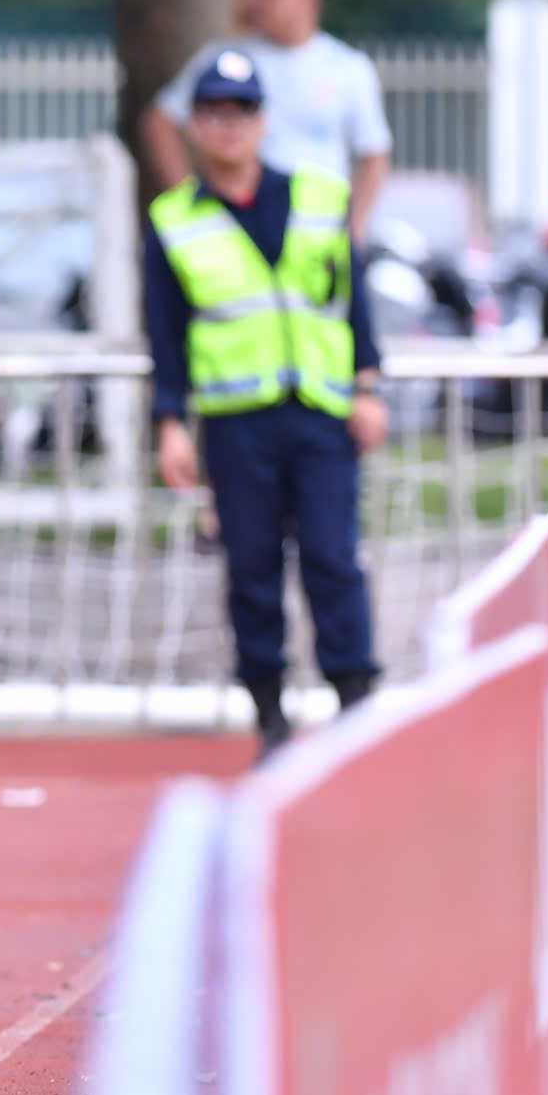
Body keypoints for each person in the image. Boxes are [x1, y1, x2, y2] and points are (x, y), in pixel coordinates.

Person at [146, 49, 387, 759]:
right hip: (235, 420)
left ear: (263, 120)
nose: (229, 126)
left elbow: (353, 300)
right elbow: (166, 332)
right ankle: (270, 714)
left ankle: (354, 702)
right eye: (214, 112)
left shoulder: (318, 195)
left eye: (242, 111)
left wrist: (368, 386)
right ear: (193, 124)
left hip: (320, 408)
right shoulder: (173, 219)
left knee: (332, 556)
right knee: (251, 565)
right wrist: (169, 424)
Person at [144, 0, 393, 238]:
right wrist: (190, 203)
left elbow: (374, 155)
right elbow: (161, 121)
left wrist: (354, 231)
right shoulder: (226, 60)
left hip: (317, 235)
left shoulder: (348, 68)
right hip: (238, 229)